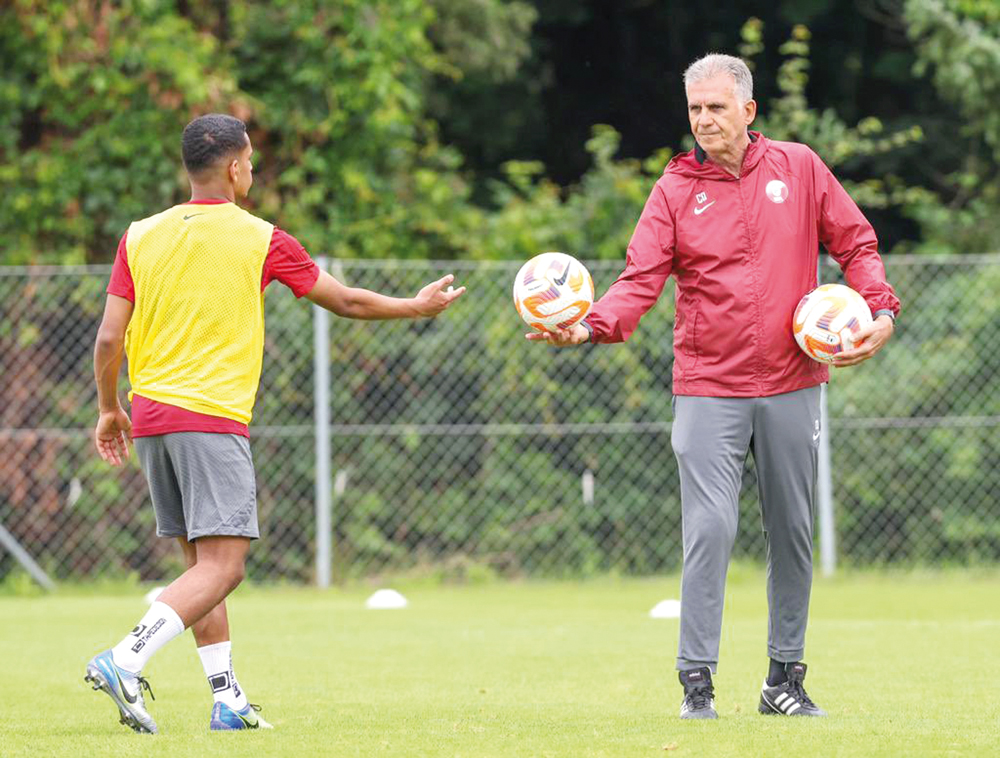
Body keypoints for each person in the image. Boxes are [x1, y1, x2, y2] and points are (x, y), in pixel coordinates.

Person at [528, 54, 899, 719]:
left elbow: (857, 243)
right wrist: (588, 327)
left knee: (793, 531)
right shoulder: (674, 190)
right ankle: (696, 684)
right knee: (711, 528)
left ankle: (784, 680)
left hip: (792, 381)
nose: (703, 120)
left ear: (748, 111)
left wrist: (881, 310)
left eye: (716, 108)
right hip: (708, 385)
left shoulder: (799, 168)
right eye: (695, 109)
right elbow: (639, 280)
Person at [86, 113, 465, 733]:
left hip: (151, 417)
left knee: (202, 570)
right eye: (252, 163)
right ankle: (125, 659)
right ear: (235, 168)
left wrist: (109, 409)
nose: (253, 172)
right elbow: (345, 301)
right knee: (225, 567)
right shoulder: (260, 237)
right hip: (210, 417)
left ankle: (228, 700)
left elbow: (108, 339)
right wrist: (416, 307)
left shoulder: (139, 236)